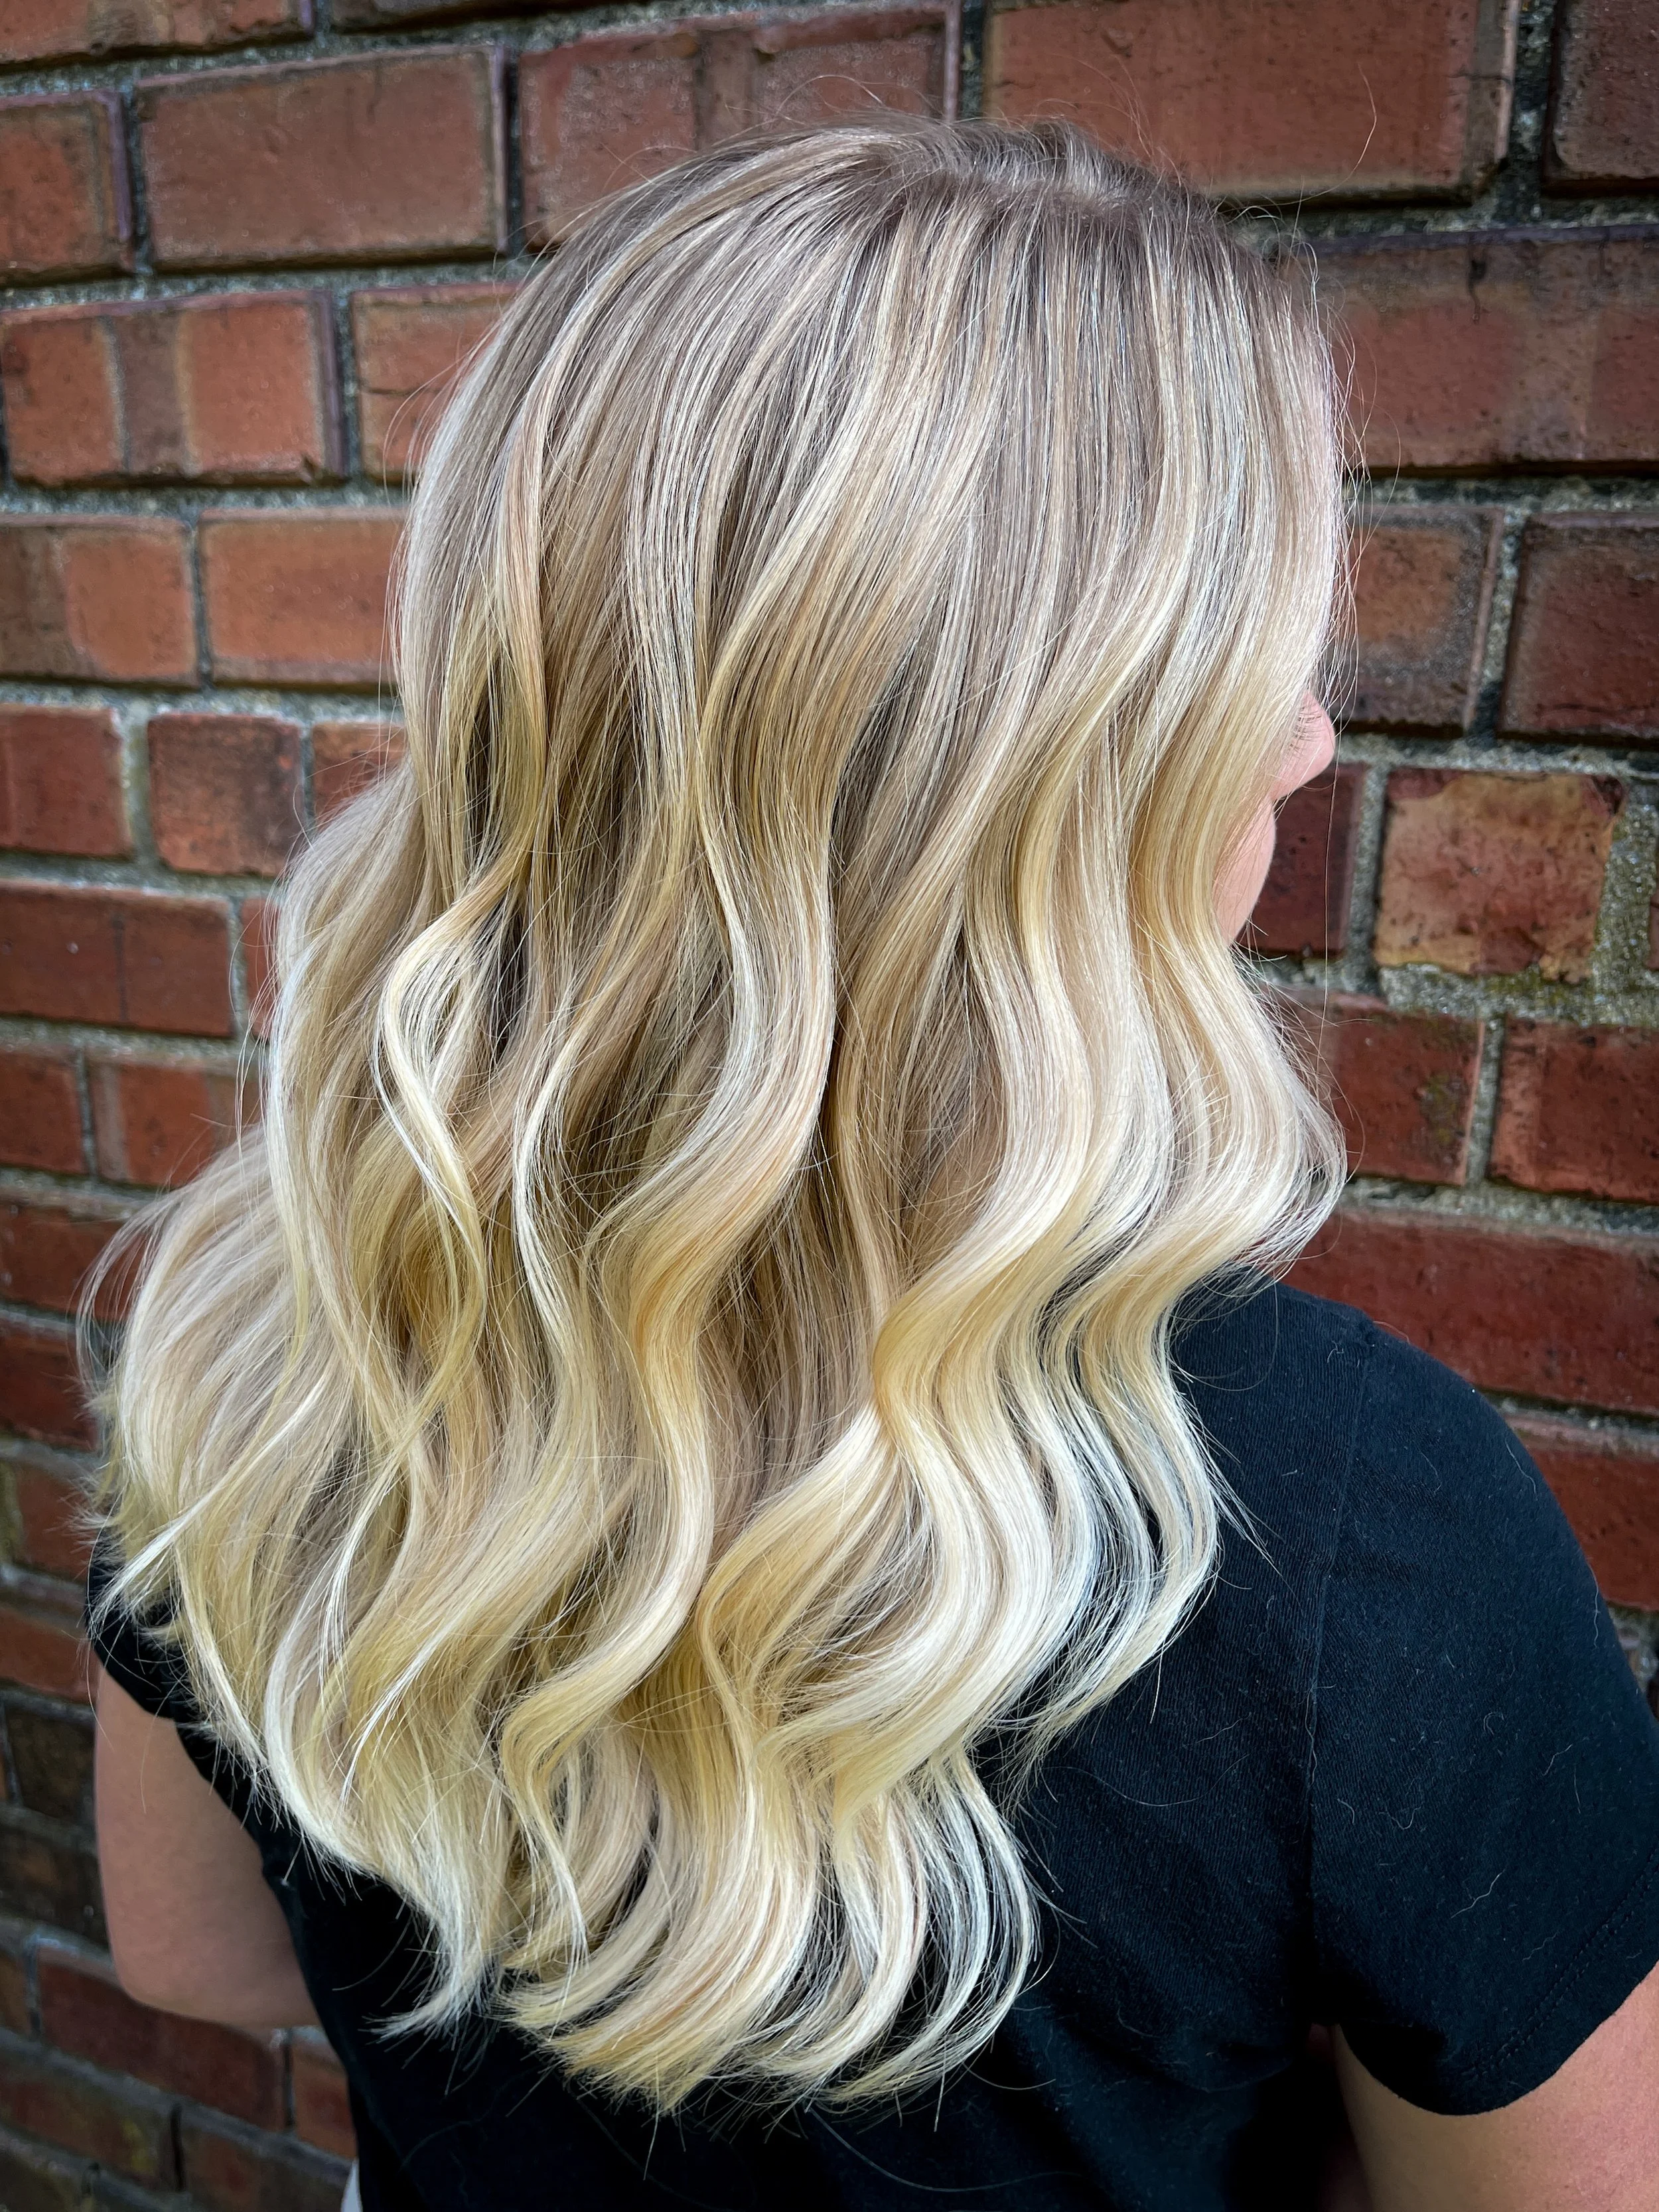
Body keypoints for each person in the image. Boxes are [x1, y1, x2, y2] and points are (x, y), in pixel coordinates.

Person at [83, 118, 1659, 2212]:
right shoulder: (1350, 1532)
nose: (1306, 739)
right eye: (1260, 645)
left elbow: (191, 1952)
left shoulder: (267, 1324)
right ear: (1047, 773)